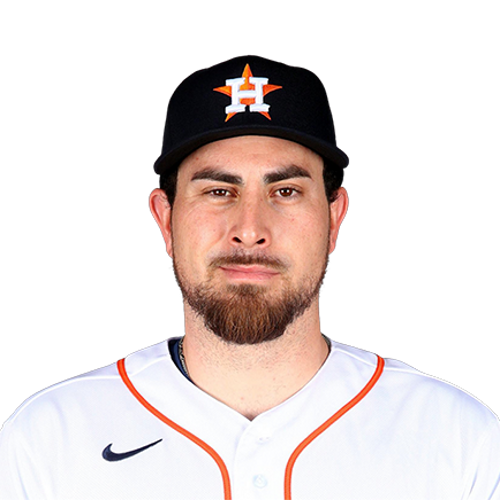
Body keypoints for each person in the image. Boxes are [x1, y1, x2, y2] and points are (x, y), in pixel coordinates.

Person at [1, 54, 498, 500]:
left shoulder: (457, 437)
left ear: (334, 218)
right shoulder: (48, 441)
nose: (250, 229)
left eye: (285, 191)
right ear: (165, 220)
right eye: (219, 191)